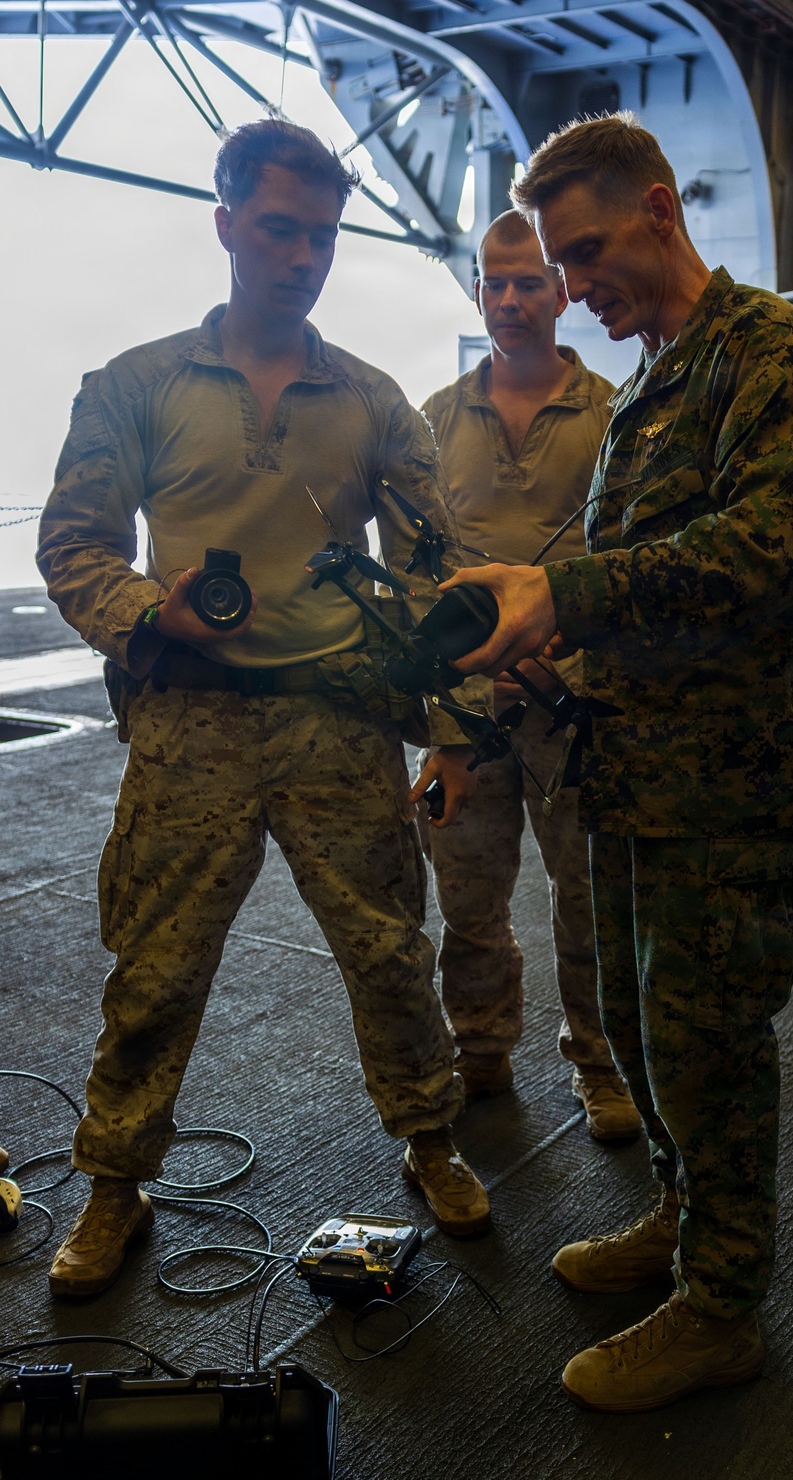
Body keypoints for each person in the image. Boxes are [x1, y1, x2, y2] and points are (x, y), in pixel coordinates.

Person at [441, 112, 793, 1412]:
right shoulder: (658, 380)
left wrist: (564, 598)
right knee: (636, 1023)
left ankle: (723, 1307)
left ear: (660, 208)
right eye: (556, 267)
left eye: (582, 253)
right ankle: (685, 1226)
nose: (571, 289)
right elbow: (647, 592)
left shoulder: (772, 354)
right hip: (635, 769)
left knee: (707, 1041)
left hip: (727, 784)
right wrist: (550, 649)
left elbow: (775, 549)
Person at [36, 119, 494, 1297]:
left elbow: (439, 575)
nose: (303, 257)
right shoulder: (134, 386)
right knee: (155, 966)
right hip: (189, 719)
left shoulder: (377, 401)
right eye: (281, 230)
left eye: (323, 237)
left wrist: (450, 725)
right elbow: (75, 546)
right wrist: (155, 614)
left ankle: (431, 1139)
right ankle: (112, 1184)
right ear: (228, 223)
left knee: (391, 951)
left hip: (339, 720)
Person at [420, 211, 640, 1142]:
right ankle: (481, 1050)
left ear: (560, 291)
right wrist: (440, 716)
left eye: (529, 282)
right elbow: (416, 574)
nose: (510, 300)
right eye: (494, 283)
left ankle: (601, 1063)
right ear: (478, 291)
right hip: (469, 713)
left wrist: (576, 651)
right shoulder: (432, 420)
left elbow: (635, 562)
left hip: (575, 710)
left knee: (590, 902)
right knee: (469, 902)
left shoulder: (616, 416)